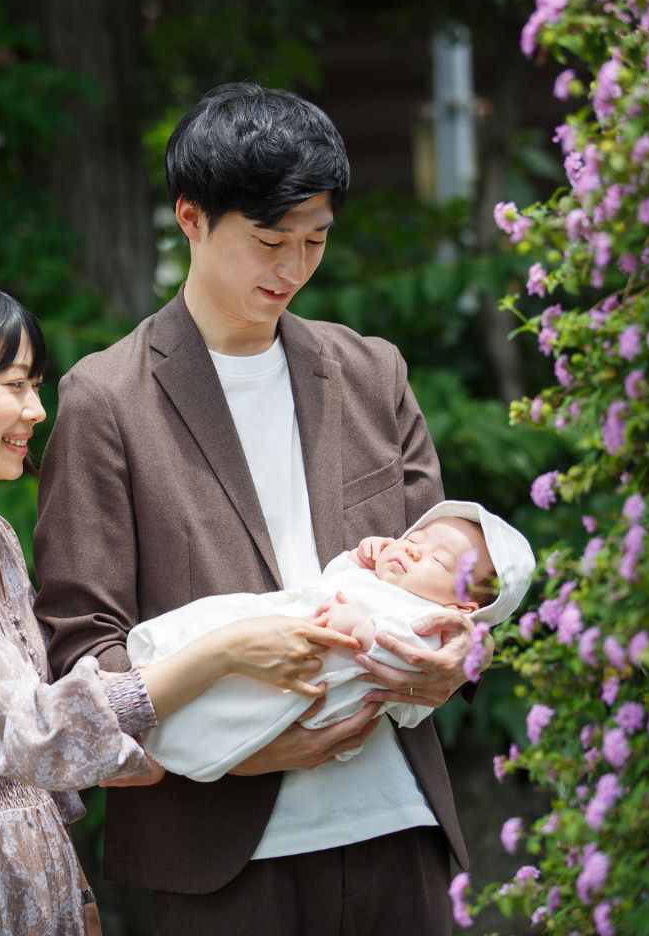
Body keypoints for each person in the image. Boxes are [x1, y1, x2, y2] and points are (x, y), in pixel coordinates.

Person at [35, 82, 492, 934]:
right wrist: (234, 756)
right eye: (270, 240)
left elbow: (458, 581)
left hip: (396, 829)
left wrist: (463, 655)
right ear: (191, 219)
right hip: (215, 860)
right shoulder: (105, 400)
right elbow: (84, 652)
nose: (293, 269)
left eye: (316, 241)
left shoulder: (372, 375)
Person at [0, 271, 361, 936]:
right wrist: (222, 654)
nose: (35, 409)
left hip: (35, 876)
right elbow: (32, 730)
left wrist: (81, 891)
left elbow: (56, 752)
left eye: (34, 384)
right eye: (13, 383)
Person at [130, 502, 535, 782]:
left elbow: (407, 654)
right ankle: (160, 674)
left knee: (240, 706)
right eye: (416, 538)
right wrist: (356, 559)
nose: (413, 551)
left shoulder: (425, 622)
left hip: (314, 684)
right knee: (216, 639)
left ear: (459, 607)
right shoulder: (383, 580)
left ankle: (172, 739)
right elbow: (333, 584)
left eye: (438, 560)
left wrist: (365, 631)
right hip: (273, 636)